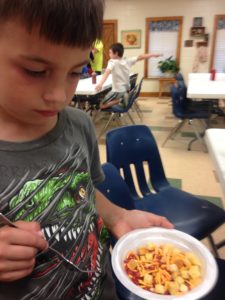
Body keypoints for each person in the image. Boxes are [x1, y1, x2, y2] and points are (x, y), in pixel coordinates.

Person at [0, 1, 173, 299]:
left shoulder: (79, 124)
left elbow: (85, 189)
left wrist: (117, 216)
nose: (58, 96)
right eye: (35, 70)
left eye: (75, 71)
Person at [95, 43, 162, 109]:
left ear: (116, 53)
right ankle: (122, 99)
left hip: (117, 91)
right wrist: (153, 55)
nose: (109, 55)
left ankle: (120, 100)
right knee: (107, 100)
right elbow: (140, 57)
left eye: (110, 53)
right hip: (125, 90)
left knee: (101, 105)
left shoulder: (112, 62)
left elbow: (107, 72)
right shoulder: (127, 61)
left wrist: (100, 84)